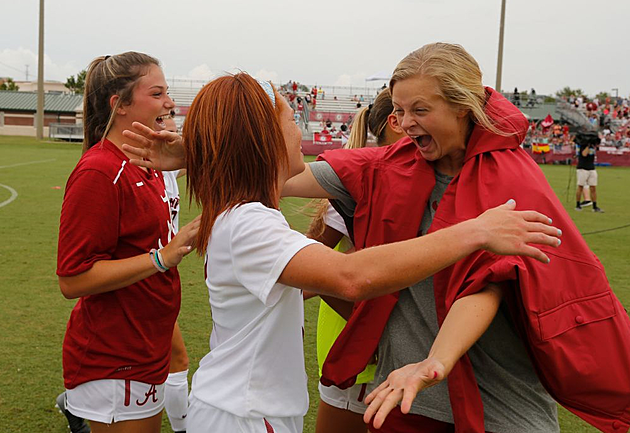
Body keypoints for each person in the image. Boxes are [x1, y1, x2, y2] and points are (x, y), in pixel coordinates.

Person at [121, 73, 561, 433]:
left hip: (247, 410)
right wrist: (475, 232)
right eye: (290, 120)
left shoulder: (243, 212)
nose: (299, 130)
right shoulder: (249, 222)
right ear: (265, 137)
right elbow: (352, 277)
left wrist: (200, 153)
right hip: (244, 415)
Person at [283, 43, 627, 433]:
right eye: (398, 110)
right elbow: (283, 180)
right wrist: (230, 197)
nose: (405, 122)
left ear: (463, 105)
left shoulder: (512, 182)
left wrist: (436, 363)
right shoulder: (388, 167)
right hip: (402, 400)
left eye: (420, 110)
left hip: (501, 409)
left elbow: (488, 285)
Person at [56, 52, 199, 433]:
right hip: (114, 356)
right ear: (118, 105)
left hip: (144, 347)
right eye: (157, 93)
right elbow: (73, 279)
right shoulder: (99, 171)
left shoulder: (145, 163)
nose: (169, 103)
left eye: (167, 92)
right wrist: (161, 258)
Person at [307, 88, 405, 433]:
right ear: (394, 124)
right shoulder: (364, 179)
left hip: (390, 341)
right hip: (357, 339)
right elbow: (308, 273)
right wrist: (369, 333)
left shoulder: (405, 176)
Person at [161, 111, 190, 433]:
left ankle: (70, 403)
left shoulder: (167, 171)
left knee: (149, 362)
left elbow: (198, 161)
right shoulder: (140, 171)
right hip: (146, 278)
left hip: (164, 278)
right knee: (177, 360)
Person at [575, 137, 603, 212]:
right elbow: (584, 154)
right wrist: (588, 145)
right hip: (582, 168)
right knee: (580, 186)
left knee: (593, 187)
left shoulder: (593, 146)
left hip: (591, 168)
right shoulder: (582, 146)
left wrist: (593, 144)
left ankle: (595, 206)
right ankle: (577, 205)